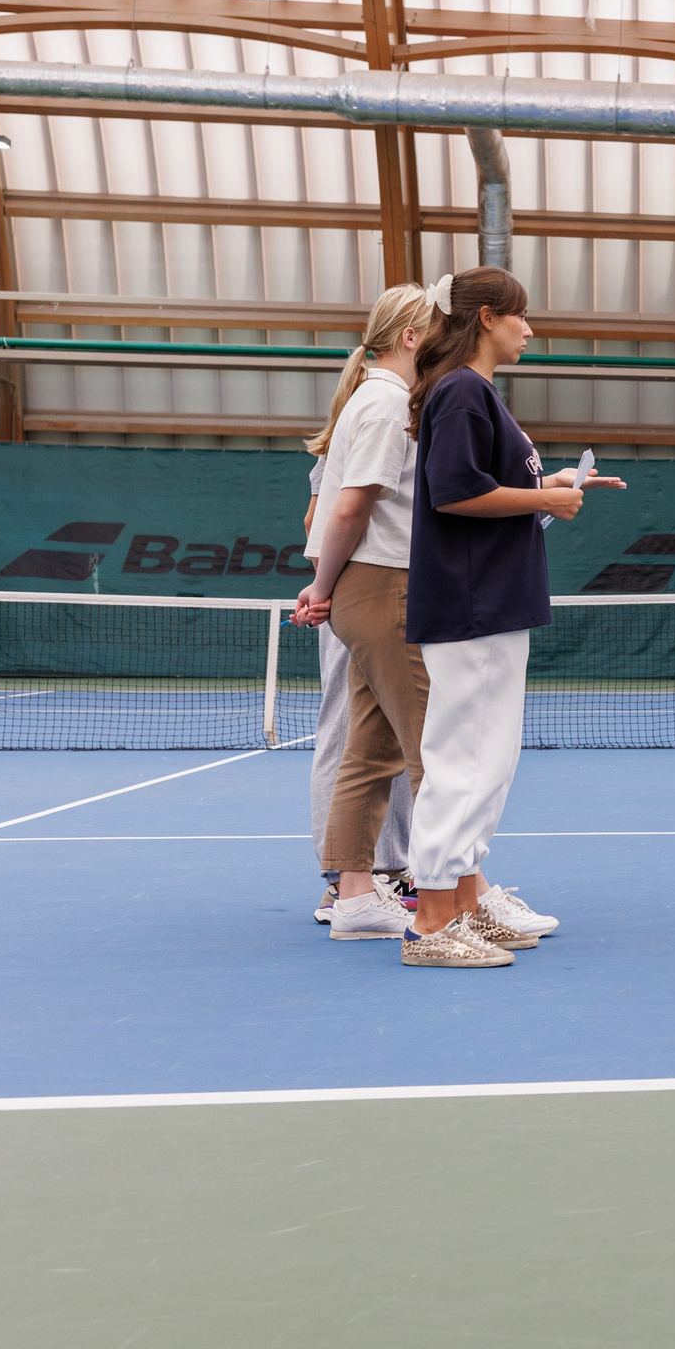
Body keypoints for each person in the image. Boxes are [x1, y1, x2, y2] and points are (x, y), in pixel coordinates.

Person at [400, 268, 624, 969]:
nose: (530, 330)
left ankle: (465, 904)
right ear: (490, 317)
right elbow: (453, 494)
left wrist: (548, 483)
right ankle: (431, 924)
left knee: (487, 763)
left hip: (493, 604)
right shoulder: (463, 390)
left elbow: (484, 482)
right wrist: (543, 503)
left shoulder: (477, 394)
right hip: (470, 605)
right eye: (523, 317)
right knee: (461, 763)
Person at [294, 285, 435, 943]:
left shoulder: (383, 402)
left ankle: (366, 882)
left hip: (363, 584)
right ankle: (446, 890)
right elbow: (337, 512)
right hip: (373, 587)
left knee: (370, 742)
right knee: (421, 744)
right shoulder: (380, 405)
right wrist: (322, 586)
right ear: (410, 336)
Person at [301, 438, 413, 926]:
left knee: (381, 733)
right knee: (356, 733)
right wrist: (331, 590)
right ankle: (360, 878)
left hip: (373, 597)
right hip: (368, 598)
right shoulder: (376, 421)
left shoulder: (376, 424)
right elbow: (323, 523)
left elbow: (316, 521)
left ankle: (365, 877)